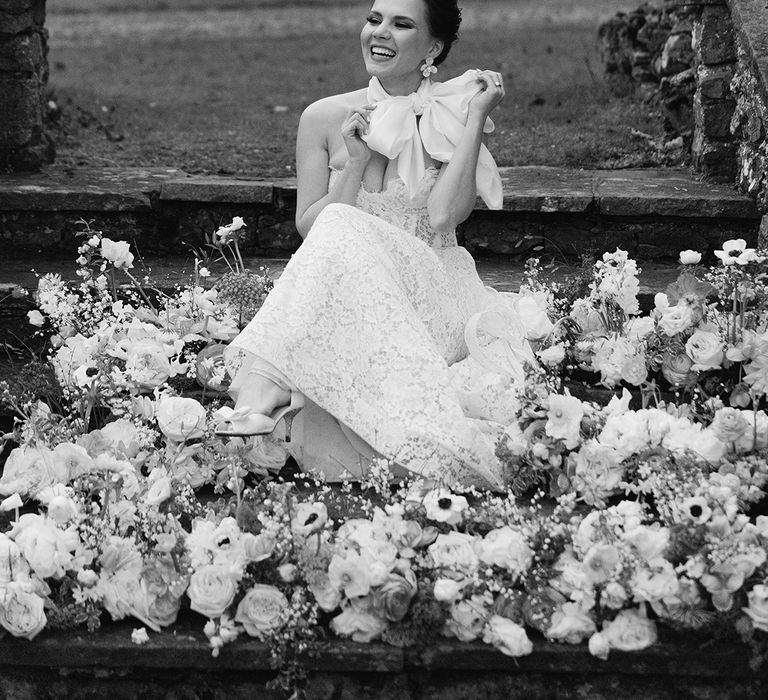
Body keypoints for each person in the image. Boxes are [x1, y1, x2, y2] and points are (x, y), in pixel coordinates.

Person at [218, 0, 525, 490]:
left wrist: (474, 122)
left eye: (401, 24)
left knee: (343, 223)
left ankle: (267, 384)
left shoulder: (451, 114)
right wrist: (356, 162)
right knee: (339, 223)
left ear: (434, 47)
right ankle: (272, 384)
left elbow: (446, 215)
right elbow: (310, 228)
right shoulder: (323, 117)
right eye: (374, 19)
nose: (379, 32)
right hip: (355, 298)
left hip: (430, 292)